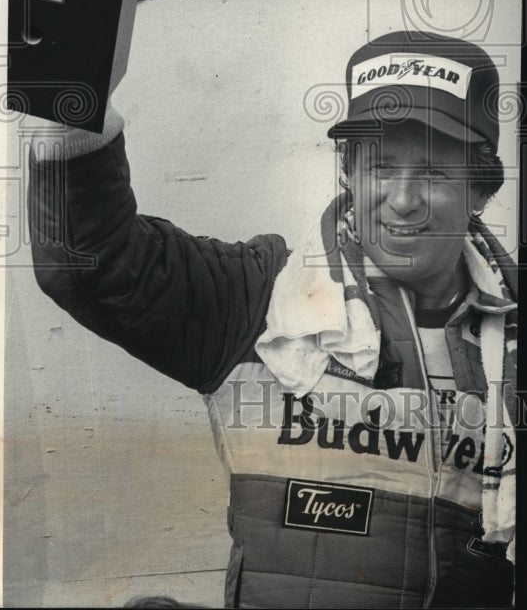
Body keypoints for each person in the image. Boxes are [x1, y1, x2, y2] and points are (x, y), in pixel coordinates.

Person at [27, 30, 517, 609]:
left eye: (433, 172)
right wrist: (69, 82)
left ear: (480, 188)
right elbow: (89, 263)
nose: (402, 197)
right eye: (380, 166)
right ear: (349, 172)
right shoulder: (260, 298)